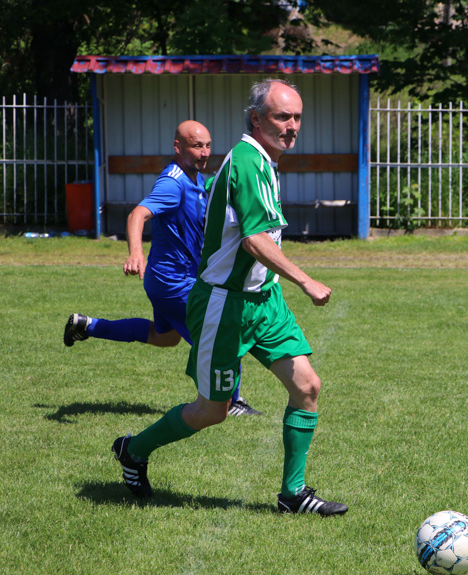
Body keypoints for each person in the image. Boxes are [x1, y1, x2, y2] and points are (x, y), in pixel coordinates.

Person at [111, 79, 347, 516]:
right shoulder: (245, 161)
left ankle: (292, 495)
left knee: (307, 387)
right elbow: (254, 240)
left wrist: (279, 284)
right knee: (211, 410)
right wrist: (306, 281)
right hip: (224, 304)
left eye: (296, 117)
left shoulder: (266, 161)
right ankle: (133, 449)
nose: (292, 126)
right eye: (282, 116)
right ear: (256, 119)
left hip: (263, 300)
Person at [63, 120, 261, 417]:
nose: (204, 152)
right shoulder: (173, 183)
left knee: (164, 337)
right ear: (177, 147)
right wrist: (135, 253)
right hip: (172, 282)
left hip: (170, 279)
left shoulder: (195, 178)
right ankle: (233, 402)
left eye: (207, 145)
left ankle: (87, 325)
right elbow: (137, 214)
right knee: (221, 335)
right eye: (197, 146)